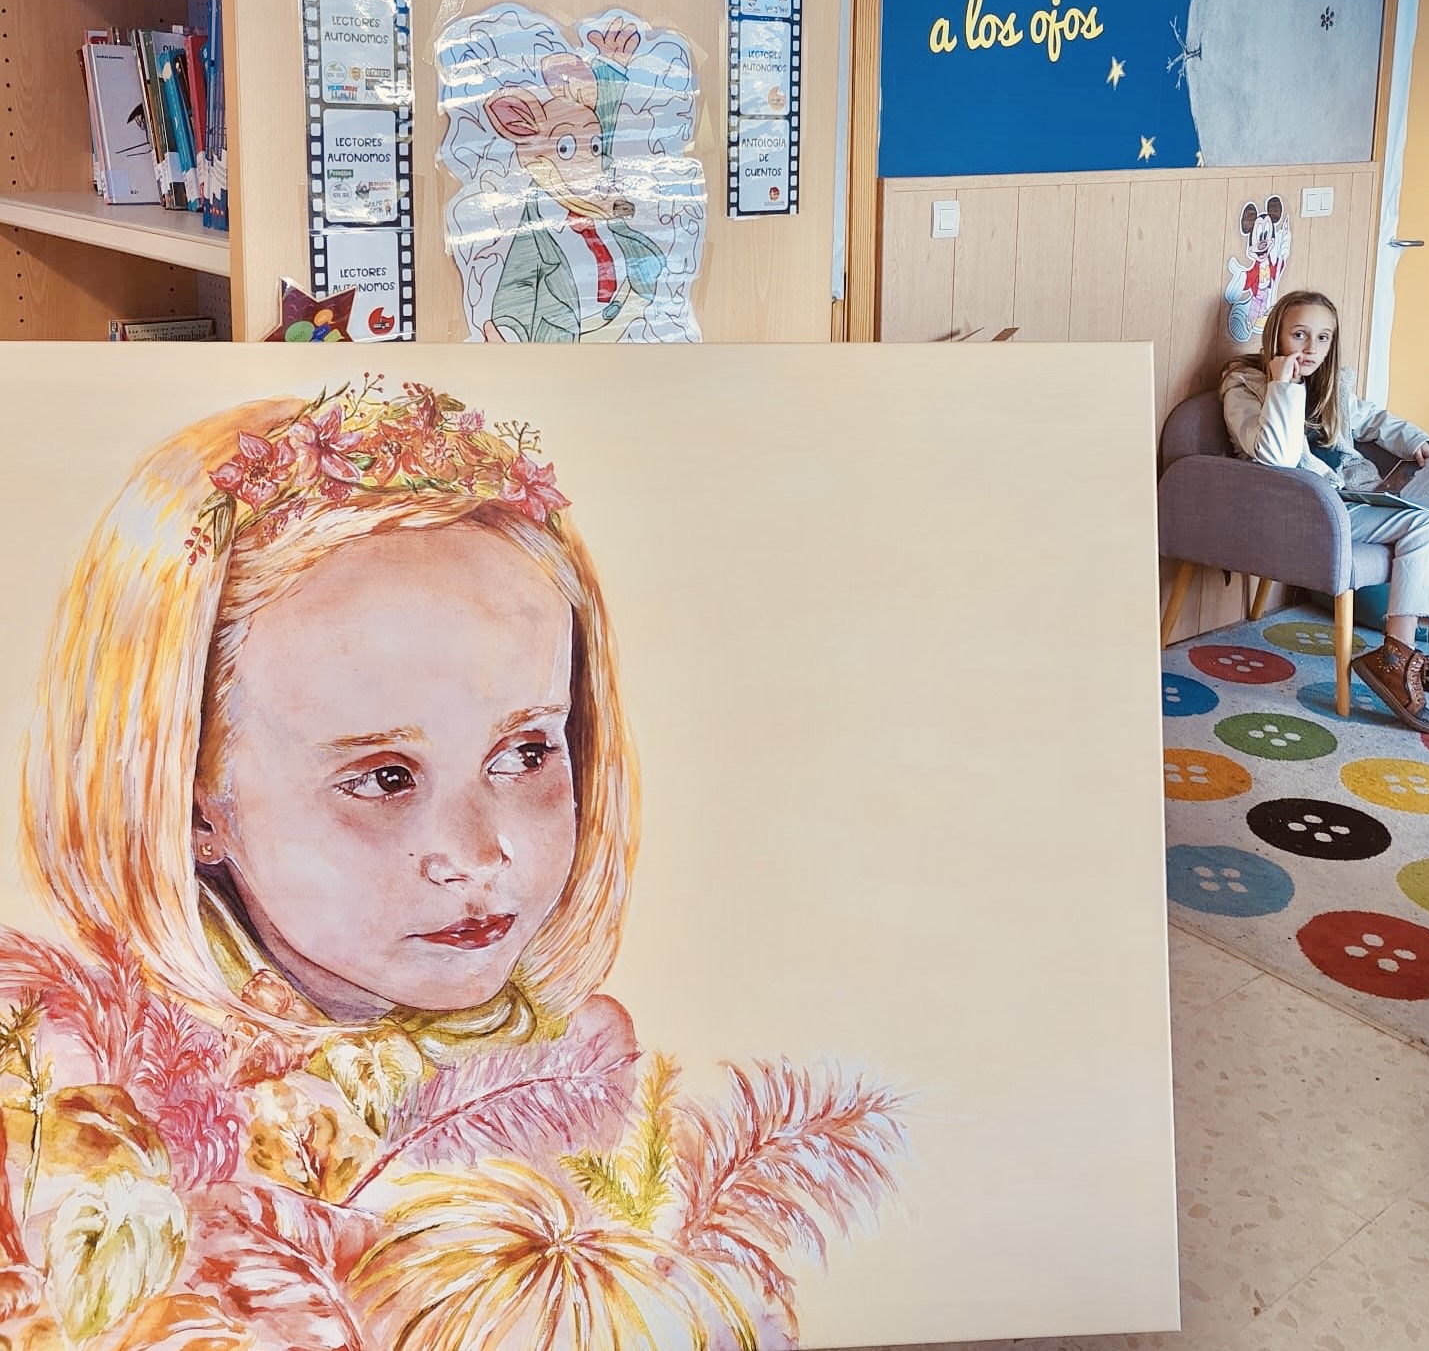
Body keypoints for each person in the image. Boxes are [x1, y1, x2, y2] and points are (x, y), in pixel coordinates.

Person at [4, 378, 903, 1351]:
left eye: (525, 751)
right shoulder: (85, 1122)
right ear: (190, 802)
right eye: (384, 776)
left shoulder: (598, 1100)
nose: (478, 852)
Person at [1221, 290, 1429, 733]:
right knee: (1423, 525)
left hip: (1353, 497)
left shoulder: (1332, 387)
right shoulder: (1244, 387)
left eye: (1323, 337)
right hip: (1306, 508)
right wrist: (1282, 386)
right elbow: (1275, 458)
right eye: (1299, 335)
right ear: (1276, 336)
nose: (1311, 348)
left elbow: (1373, 420)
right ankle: (1395, 659)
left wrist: (1416, 441)